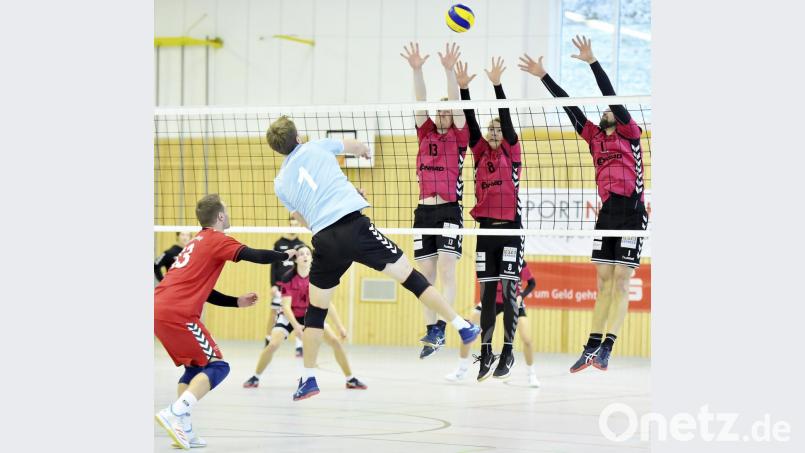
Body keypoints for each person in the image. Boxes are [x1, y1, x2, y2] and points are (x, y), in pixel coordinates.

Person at [267, 115, 480, 401]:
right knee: (412, 278)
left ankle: (308, 379)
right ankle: (462, 327)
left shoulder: (280, 182)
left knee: (316, 312)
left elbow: (302, 218)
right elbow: (353, 145)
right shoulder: (316, 146)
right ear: (297, 137)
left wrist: (332, 207)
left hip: (324, 240)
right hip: (356, 228)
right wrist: (364, 150)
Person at [518, 35, 648, 372]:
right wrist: (543, 76)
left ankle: (607, 346)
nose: (606, 111)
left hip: (632, 211)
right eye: (604, 111)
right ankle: (591, 345)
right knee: (603, 280)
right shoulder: (592, 136)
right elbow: (569, 106)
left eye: (609, 110)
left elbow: (610, 95)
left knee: (621, 280)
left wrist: (592, 62)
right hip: (607, 214)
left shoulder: (629, 131)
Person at [154, 194, 296, 449]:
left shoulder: (195, 243)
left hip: (159, 309)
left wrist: (235, 302)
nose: (228, 214)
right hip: (178, 313)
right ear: (220, 216)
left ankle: (183, 428)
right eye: (227, 211)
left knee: (195, 368)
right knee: (219, 367)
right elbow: (253, 254)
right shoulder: (216, 239)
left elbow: (201, 289)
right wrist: (286, 256)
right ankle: (174, 412)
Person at [455, 57, 525, 381]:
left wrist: (497, 85)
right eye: (491, 128)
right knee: (485, 294)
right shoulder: (481, 153)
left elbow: (507, 119)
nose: (495, 131)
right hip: (486, 231)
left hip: (511, 230)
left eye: (499, 129)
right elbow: (470, 124)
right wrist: (464, 89)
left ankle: (508, 352)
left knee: (509, 290)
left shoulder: (512, 151)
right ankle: (485, 353)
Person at [401, 42, 468, 359]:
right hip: (423, 213)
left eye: (446, 111)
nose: (442, 114)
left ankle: (442, 324)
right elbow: (419, 101)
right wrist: (416, 69)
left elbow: (456, 104)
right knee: (424, 275)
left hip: (449, 210)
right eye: (438, 110)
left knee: (447, 270)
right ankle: (432, 331)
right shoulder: (424, 131)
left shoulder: (459, 136)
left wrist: (449, 70)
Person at [243, 244, 367, 390]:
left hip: (311, 316)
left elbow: (328, 304)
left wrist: (340, 327)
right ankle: (255, 378)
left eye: (308, 253)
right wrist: (297, 328)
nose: (305, 256)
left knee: (335, 342)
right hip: (289, 317)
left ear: (312, 258)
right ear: (296, 259)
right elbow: (286, 307)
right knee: (272, 345)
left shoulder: (318, 277)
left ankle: (350, 379)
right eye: (301, 254)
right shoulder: (288, 277)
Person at [445, 265, 540, 387]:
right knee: (469, 329)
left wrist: (520, 296)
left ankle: (531, 375)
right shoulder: (492, 258)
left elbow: (532, 283)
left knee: (527, 339)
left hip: (512, 300)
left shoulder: (519, 261)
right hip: (492, 300)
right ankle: (461, 370)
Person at [268, 215, 306, 356]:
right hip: (280, 285)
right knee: (274, 312)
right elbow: (273, 265)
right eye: (292, 223)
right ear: (288, 225)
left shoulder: (301, 244)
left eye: (296, 224)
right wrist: (272, 284)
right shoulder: (279, 243)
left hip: (295, 286)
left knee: (298, 314)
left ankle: (299, 345)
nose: (294, 226)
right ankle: (269, 339)